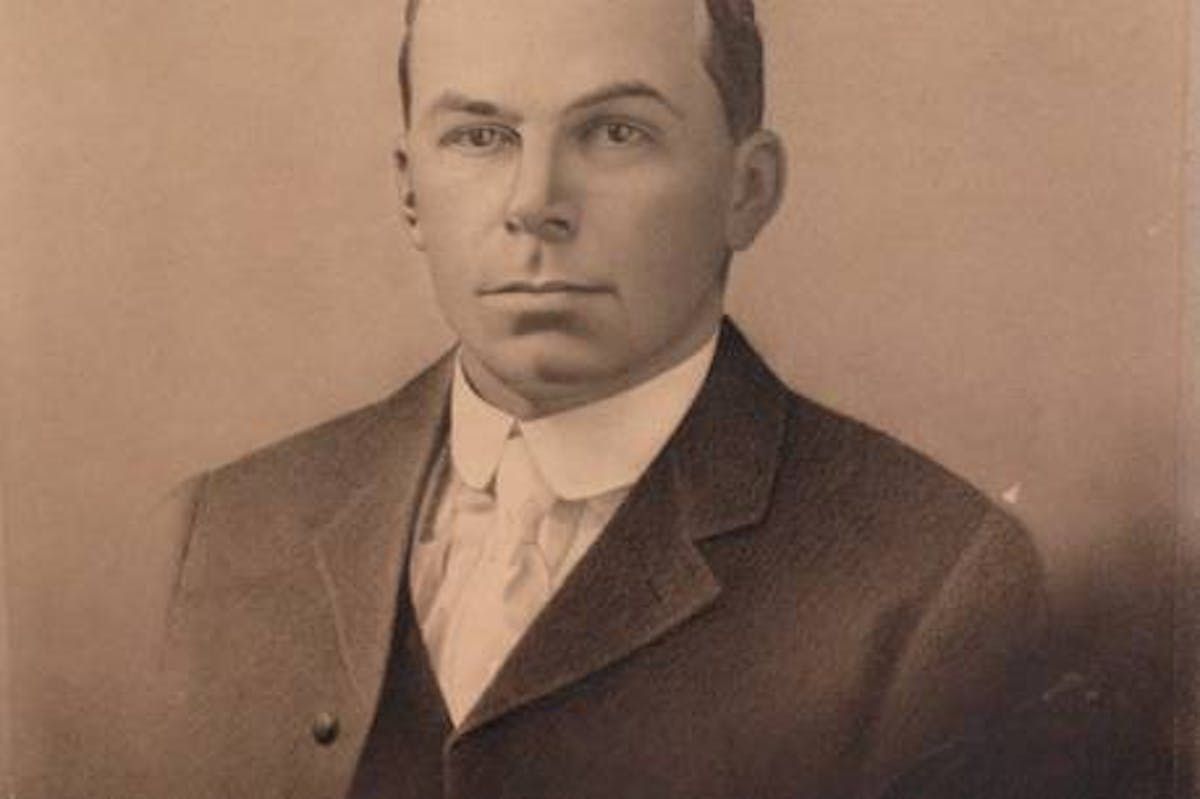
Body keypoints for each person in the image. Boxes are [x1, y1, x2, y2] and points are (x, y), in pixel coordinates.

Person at [144, 0, 1083, 796]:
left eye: (615, 132)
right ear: (410, 192)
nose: (535, 202)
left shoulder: (932, 584)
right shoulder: (219, 531)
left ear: (748, 189)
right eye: (480, 136)